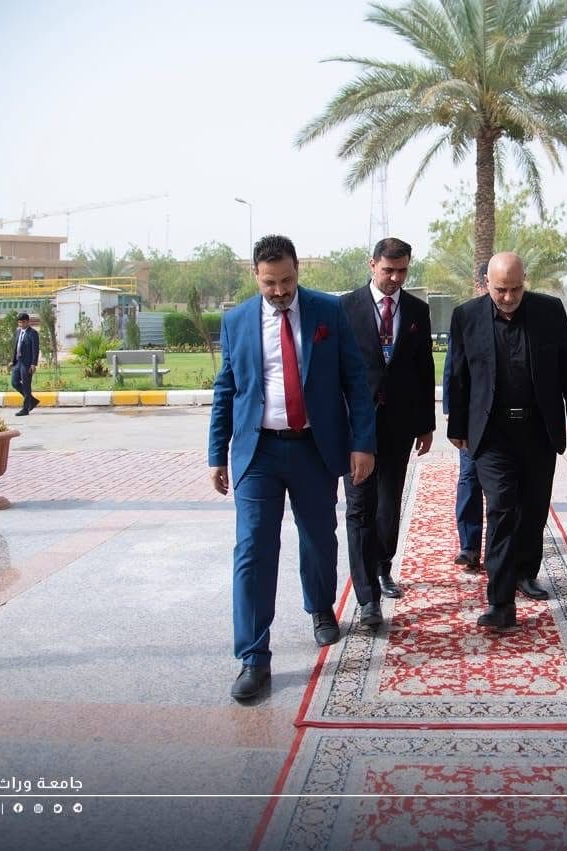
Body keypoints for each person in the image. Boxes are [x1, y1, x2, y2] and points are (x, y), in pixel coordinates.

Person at [208, 235, 376, 702]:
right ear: (255, 276)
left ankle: (320, 606)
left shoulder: (328, 312)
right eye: (270, 283)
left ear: (298, 269)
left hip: (313, 448)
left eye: (286, 280)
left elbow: (355, 381)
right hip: (258, 452)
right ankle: (253, 657)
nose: (280, 291)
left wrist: (362, 443)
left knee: (319, 537)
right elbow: (226, 389)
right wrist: (216, 453)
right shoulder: (237, 321)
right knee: (253, 549)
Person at [445, 252, 567, 629]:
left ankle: (525, 571)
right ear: (486, 284)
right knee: (501, 510)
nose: (508, 298)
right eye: (500, 290)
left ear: (525, 282)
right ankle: (500, 601)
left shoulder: (549, 311)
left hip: (538, 429)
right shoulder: (466, 316)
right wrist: (457, 427)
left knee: (533, 508)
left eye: (515, 289)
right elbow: (458, 375)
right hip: (493, 433)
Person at [340, 238, 435, 624]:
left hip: (399, 424)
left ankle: (382, 566)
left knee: (388, 501)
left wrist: (426, 424)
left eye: (402, 271)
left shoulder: (417, 310)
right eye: (388, 270)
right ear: (372, 265)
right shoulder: (345, 307)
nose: (395, 278)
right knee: (359, 506)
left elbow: (424, 367)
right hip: (357, 426)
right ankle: (367, 597)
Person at [442, 263, 489, 572]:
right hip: (472, 418)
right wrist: (452, 413)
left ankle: (502, 549)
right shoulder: (466, 316)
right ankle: (469, 546)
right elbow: (454, 368)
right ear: (482, 283)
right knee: (469, 478)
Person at [10, 312, 40, 416]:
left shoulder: (33, 333)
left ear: (27, 322)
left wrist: (33, 364)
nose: (21, 324)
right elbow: (16, 347)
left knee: (26, 385)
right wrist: (12, 361)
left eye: (23, 322)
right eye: (19, 322)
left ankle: (25, 409)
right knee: (14, 382)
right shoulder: (18, 331)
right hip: (18, 362)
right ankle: (32, 401)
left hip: (27, 363)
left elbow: (35, 349)